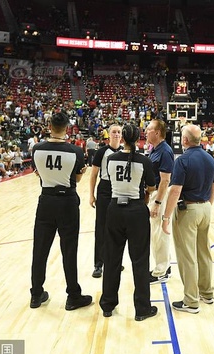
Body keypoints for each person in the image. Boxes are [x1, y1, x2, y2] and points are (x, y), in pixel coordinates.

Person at [30, 111, 92, 311]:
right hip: (67, 201)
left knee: (40, 249)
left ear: (49, 126)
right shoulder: (75, 151)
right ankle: (73, 295)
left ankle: (36, 293)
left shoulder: (36, 149)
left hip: (45, 200)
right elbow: (77, 179)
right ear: (67, 128)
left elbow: (38, 173)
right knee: (69, 249)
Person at [99, 124, 158, 320]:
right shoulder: (144, 161)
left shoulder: (111, 158)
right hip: (136, 211)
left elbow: (109, 181)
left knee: (112, 259)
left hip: (115, 209)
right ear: (138, 138)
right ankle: (142, 309)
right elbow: (151, 186)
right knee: (140, 261)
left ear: (122, 138)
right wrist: (145, 195)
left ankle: (107, 304)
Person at [162, 124, 214, 314]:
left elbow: (175, 190)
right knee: (204, 252)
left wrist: (166, 217)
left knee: (187, 256)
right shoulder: (211, 158)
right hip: (206, 208)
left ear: (184, 140)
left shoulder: (183, 160)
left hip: (189, 210)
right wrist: (208, 204)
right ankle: (207, 293)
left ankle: (191, 301)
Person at [89, 124, 122, 278]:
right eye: (114, 132)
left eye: (119, 132)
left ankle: (114, 261)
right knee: (101, 227)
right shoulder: (101, 152)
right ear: (109, 134)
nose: (116, 134)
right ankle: (98, 263)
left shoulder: (124, 151)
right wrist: (91, 194)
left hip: (119, 189)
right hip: (104, 188)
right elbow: (93, 175)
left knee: (117, 228)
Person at [145, 119, 174, 284]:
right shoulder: (155, 150)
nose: (146, 132)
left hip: (160, 195)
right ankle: (165, 266)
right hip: (155, 194)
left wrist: (157, 202)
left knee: (159, 233)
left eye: (149, 129)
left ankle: (161, 271)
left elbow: (165, 180)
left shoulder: (164, 151)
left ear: (157, 132)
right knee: (156, 233)